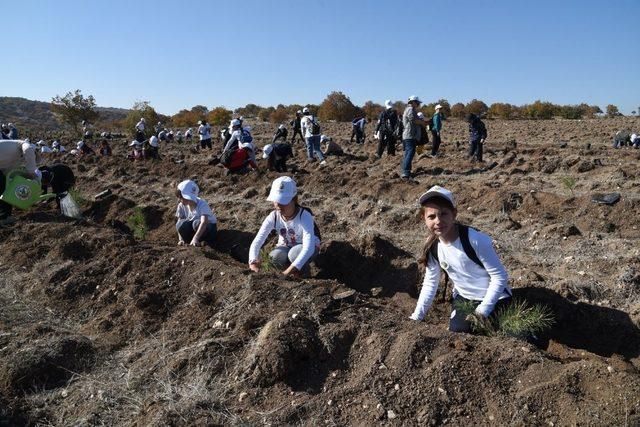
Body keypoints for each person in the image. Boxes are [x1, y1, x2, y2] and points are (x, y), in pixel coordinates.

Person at [410, 185, 512, 333]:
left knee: (518, 339)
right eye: (431, 216)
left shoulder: (475, 240)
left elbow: (499, 276)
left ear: (454, 214)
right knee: (458, 334)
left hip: (496, 298)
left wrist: (483, 310)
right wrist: (417, 316)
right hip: (465, 299)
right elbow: (430, 283)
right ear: (423, 218)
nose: (438, 221)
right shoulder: (432, 247)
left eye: (444, 214)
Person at [248, 176, 321, 278]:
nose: (278, 204)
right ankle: (291, 270)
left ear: (294, 199)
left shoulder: (304, 216)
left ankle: (303, 275)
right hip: (286, 246)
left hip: (308, 247)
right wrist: (253, 263)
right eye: (276, 200)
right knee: (274, 257)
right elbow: (258, 240)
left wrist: (286, 274)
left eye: (283, 201)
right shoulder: (273, 217)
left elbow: (308, 248)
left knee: (294, 253)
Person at [0, 139, 41, 225]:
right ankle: (5, 217)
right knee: (4, 189)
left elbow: (7, 172)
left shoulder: (15, 157)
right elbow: (28, 150)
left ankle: (5, 216)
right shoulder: (24, 145)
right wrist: (31, 171)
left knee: (4, 186)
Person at [175, 180, 217, 247]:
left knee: (196, 223)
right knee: (180, 223)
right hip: (194, 230)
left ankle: (206, 242)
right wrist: (181, 239)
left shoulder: (202, 204)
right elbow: (179, 222)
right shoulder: (181, 205)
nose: (179, 199)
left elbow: (204, 222)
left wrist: (195, 238)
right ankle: (189, 243)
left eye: (181, 197)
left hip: (209, 229)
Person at [401, 95, 427, 180]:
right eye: (418, 102)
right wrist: (422, 123)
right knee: (410, 152)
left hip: (410, 135)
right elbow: (413, 119)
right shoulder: (410, 109)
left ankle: (406, 171)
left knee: (409, 152)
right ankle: (406, 173)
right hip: (409, 135)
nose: (419, 104)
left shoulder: (411, 109)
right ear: (413, 102)